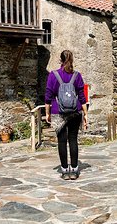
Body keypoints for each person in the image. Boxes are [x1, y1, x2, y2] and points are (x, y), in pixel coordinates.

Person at [45, 50, 88, 180]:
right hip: (75, 111)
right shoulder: (77, 75)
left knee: (62, 141)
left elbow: (48, 95)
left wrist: (47, 113)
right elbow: (82, 96)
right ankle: (74, 170)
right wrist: (85, 114)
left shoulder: (53, 75)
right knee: (73, 140)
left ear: (60, 60)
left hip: (58, 112)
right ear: (72, 60)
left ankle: (64, 170)